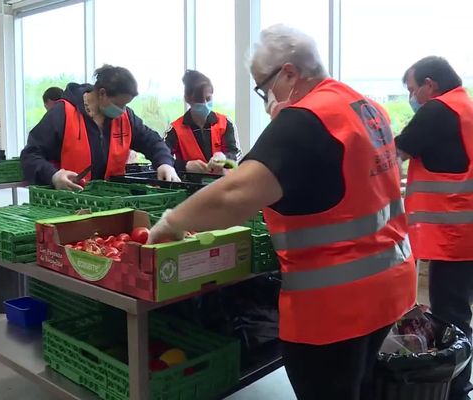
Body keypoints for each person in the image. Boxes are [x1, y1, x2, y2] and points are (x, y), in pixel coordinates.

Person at [148, 25, 416, 400]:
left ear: (289, 73)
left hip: (334, 306)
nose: (266, 98)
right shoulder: (364, 106)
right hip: (389, 285)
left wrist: (172, 221)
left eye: (263, 86)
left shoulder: (307, 119)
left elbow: (234, 194)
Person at [395, 56, 473, 400]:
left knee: (450, 314)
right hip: (464, 227)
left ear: (430, 84)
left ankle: (454, 388)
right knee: (459, 309)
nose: (413, 98)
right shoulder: (465, 107)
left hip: (452, 234)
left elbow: (393, 151)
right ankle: (459, 383)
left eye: (413, 90)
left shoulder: (437, 110)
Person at [21, 65, 179, 189]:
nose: (123, 110)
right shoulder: (63, 114)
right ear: (102, 93)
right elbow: (31, 155)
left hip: (112, 203)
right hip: (69, 202)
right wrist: (53, 176)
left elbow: (152, 141)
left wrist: (164, 163)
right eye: (119, 104)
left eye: (126, 105)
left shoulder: (125, 117)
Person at [165, 70, 240, 174]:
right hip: (190, 186)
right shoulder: (175, 129)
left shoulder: (225, 123)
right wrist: (185, 165)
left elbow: (235, 154)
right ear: (187, 99)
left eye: (208, 98)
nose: (205, 103)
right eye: (199, 100)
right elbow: (162, 159)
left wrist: (224, 159)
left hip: (222, 183)